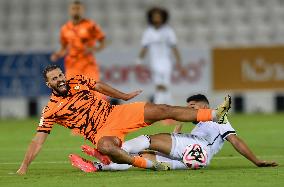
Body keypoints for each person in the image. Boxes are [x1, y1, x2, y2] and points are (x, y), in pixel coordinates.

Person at [16, 65, 231, 175]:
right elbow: (38, 140)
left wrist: (124, 96)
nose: (60, 80)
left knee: (163, 109)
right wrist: (24, 166)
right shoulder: (50, 110)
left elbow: (99, 86)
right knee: (106, 146)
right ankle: (148, 165)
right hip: (100, 131)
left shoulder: (77, 81)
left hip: (116, 114)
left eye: (60, 75)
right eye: (54, 78)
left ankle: (212, 114)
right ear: (48, 85)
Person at [69, 94, 277, 172]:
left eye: (193, 106)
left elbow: (236, 141)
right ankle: (98, 166)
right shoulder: (199, 125)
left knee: (148, 140)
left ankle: (110, 152)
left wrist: (256, 161)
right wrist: (178, 128)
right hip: (195, 156)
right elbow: (179, 135)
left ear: (205, 105)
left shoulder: (221, 120)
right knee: (144, 157)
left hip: (198, 150)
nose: (190, 110)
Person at [136, 7, 185, 105]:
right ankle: (161, 105)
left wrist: (179, 62)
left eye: (158, 16)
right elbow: (144, 48)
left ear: (163, 17)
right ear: (151, 18)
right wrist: (139, 61)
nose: (157, 18)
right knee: (158, 84)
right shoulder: (148, 32)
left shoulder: (168, 31)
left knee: (166, 84)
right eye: (155, 16)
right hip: (154, 62)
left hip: (166, 61)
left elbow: (174, 47)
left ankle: (167, 105)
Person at [50, 0, 106, 81]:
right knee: (73, 90)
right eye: (74, 8)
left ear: (82, 10)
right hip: (72, 64)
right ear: (70, 10)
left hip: (88, 63)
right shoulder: (64, 28)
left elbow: (102, 41)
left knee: (94, 88)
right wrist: (57, 55)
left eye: (78, 8)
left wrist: (94, 49)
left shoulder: (91, 25)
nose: (76, 10)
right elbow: (64, 48)